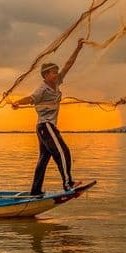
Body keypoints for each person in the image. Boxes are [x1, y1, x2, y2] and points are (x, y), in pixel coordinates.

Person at [12, 38, 84, 196]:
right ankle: (68, 183)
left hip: (44, 128)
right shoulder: (42, 89)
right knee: (63, 152)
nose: (56, 74)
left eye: (56, 72)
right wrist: (17, 102)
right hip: (45, 126)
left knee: (44, 159)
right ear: (45, 75)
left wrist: (78, 48)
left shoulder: (57, 83)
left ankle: (35, 191)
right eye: (53, 72)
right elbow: (31, 98)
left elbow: (68, 65)